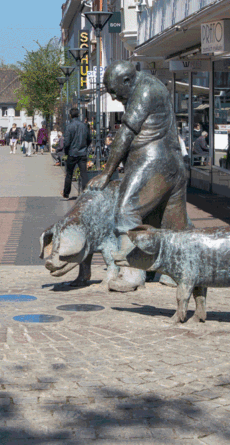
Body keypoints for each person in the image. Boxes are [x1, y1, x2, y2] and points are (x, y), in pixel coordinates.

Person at [86, 61, 191, 292]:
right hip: (172, 164)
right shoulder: (152, 86)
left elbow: (125, 134)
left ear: (127, 80)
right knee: (169, 222)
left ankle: (132, 273)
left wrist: (107, 172)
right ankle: (174, 272)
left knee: (128, 211)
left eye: (114, 91)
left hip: (154, 162)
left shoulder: (144, 90)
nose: (113, 97)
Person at [62, 107, 90, 199]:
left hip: (72, 153)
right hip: (82, 153)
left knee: (69, 173)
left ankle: (66, 193)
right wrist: (85, 147)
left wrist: (66, 152)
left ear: (70, 115)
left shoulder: (69, 126)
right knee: (83, 173)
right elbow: (89, 139)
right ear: (78, 115)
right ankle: (85, 192)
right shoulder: (84, 126)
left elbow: (66, 142)